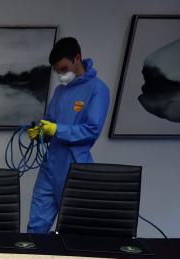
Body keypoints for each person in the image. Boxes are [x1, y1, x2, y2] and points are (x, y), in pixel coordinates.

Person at [26, 37, 110, 234]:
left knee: (72, 231)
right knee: (36, 227)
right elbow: (50, 122)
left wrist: (56, 130)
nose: (61, 74)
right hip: (50, 165)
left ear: (77, 59)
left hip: (75, 168)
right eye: (58, 71)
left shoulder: (98, 90)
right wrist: (40, 133)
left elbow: (91, 130)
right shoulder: (60, 91)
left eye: (64, 69)